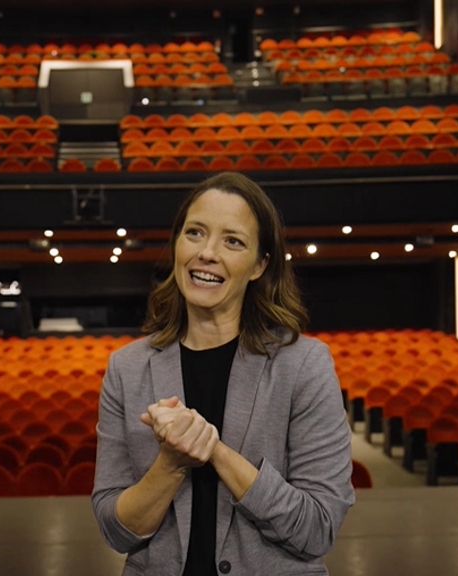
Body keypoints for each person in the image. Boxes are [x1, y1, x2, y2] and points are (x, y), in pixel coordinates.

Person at [92, 172, 354, 575]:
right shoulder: (127, 369)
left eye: (233, 241)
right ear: (177, 244)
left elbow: (317, 529)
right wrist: (171, 463)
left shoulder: (304, 365)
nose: (207, 253)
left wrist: (213, 450)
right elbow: (116, 530)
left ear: (259, 265)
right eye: (195, 233)